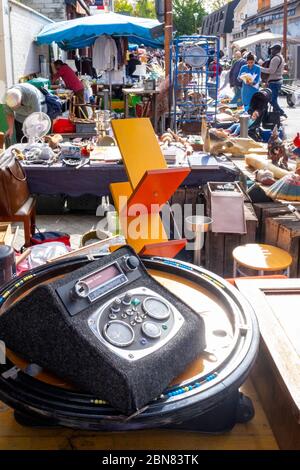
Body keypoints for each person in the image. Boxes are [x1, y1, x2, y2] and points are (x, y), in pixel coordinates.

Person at [260, 43, 287, 117]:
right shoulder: (280, 57)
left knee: (272, 100)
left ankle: (281, 112)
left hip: (274, 82)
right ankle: (277, 115)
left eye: (272, 49)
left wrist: (260, 68)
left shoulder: (276, 58)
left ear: (277, 50)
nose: (271, 50)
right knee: (273, 99)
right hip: (276, 81)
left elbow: (271, 71)